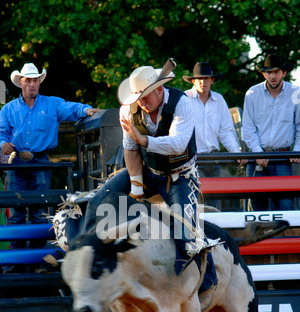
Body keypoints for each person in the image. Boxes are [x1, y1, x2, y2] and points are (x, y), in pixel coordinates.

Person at [80, 60, 216, 282]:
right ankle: (83, 253)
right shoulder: (128, 110)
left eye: (145, 97)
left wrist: (143, 139)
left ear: (160, 90)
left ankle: (206, 282)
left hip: (180, 175)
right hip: (147, 171)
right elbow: (130, 149)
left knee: (184, 229)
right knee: (98, 201)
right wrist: (136, 184)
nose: (141, 102)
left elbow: (178, 144)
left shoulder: (183, 103)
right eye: (137, 98)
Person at [0, 63, 99, 272]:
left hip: (40, 160)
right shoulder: (8, 109)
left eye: (36, 80)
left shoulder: (52, 104)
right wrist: (3, 144)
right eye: (29, 80)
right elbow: (1, 133)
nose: (33, 84)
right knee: (15, 210)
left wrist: (86, 109)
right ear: (21, 83)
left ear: (38, 82)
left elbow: (71, 108)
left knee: (39, 210)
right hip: (16, 162)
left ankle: (36, 261)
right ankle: (15, 262)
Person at [242, 54, 300, 211]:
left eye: (276, 72)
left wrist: (297, 150)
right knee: (257, 209)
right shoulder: (252, 94)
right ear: (263, 74)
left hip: (283, 157)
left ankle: (285, 237)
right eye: (269, 72)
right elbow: (247, 128)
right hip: (257, 157)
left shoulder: (296, 93)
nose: (272, 76)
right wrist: (258, 153)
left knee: (285, 206)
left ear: (284, 73)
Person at [183, 62, 241, 209]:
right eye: (200, 79)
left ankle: (210, 232)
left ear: (212, 80)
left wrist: (237, 153)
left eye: (207, 78)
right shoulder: (184, 99)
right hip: (193, 160)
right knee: (195, 203)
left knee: (212, 205)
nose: (203, 82)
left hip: (214, 160)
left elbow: (226, 131)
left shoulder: (219, 100)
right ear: (193, 81)